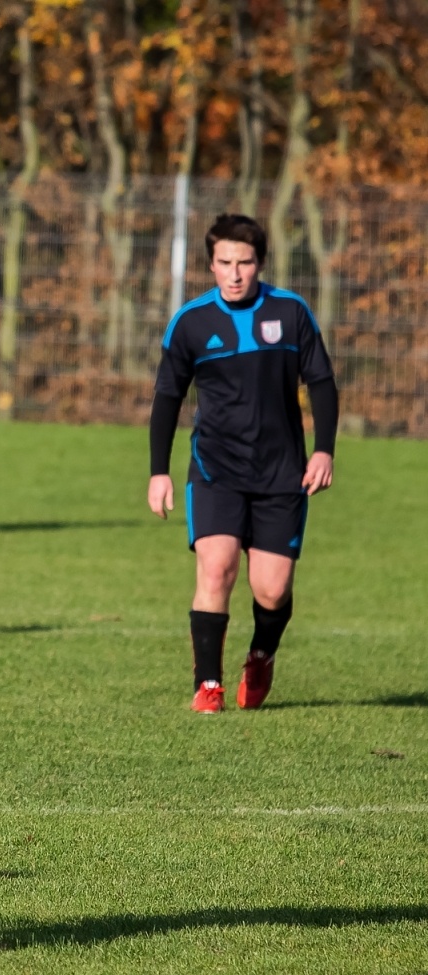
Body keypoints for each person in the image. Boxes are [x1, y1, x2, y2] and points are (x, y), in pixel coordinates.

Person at [148, 213, 338, 714]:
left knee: (271, 591)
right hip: (216, 471)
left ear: (260, 264)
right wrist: (158, 471)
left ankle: (261, 655)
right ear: (210, 264)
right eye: (225, 263)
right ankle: (207, 686)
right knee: (217, 568)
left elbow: (321, 382)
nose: (234, 274)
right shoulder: (191, 322)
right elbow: (168, 396)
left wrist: (324, 449)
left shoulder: (291, 313)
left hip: (281, 473)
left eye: (245, 263)